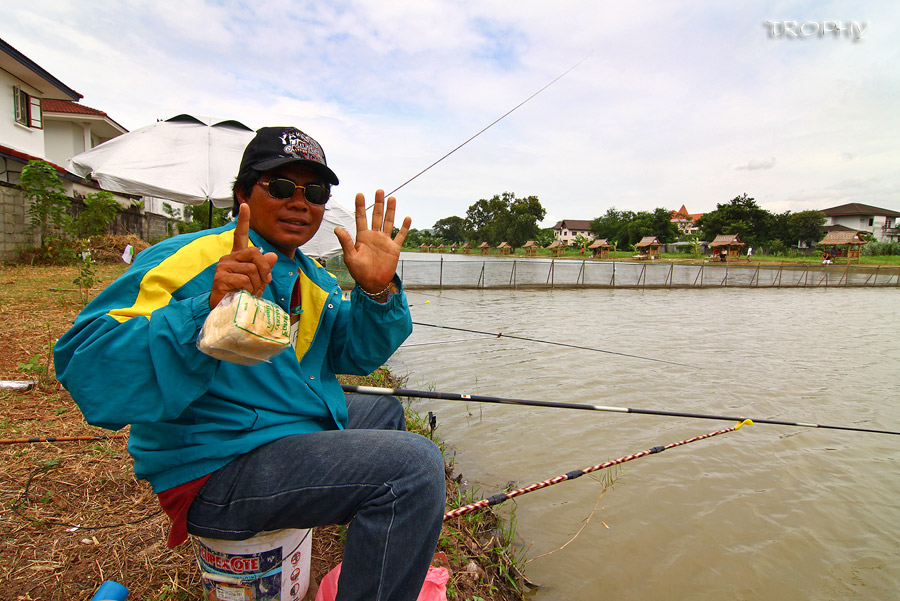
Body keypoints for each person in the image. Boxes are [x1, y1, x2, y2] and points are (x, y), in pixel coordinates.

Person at [54, 126, 446, 601]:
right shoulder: (193, 258)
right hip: (215, 464)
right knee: (414, 468)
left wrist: (376, 291)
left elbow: (354, 354)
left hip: (277, 433)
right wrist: (206, 308)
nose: (300, 202)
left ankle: (373, 552)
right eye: (281, 186)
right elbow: (87, 364)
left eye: (315, 191)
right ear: (242, 194)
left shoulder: (312, 277)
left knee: (385, 413)